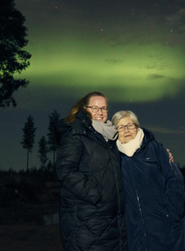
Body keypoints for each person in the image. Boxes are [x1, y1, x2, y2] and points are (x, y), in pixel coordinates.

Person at [111, 110, 185, 251]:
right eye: (120, 127)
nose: (126, 130)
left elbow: (175, 180)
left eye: (130, 125)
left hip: (163, 221)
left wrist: (172, 213)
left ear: (137, 127)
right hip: (133, 226)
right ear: (115, 131)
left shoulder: (155, 149)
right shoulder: (113, 156)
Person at [56, 91, 127, 251]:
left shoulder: (109, 136)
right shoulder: (76, 133)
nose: (100, 113)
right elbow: (65, 169)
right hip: (87, 220)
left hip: (111, 221)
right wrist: (96, 194)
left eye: (104, 108)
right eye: (95, 108)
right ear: (84, 108)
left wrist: (161, 153)